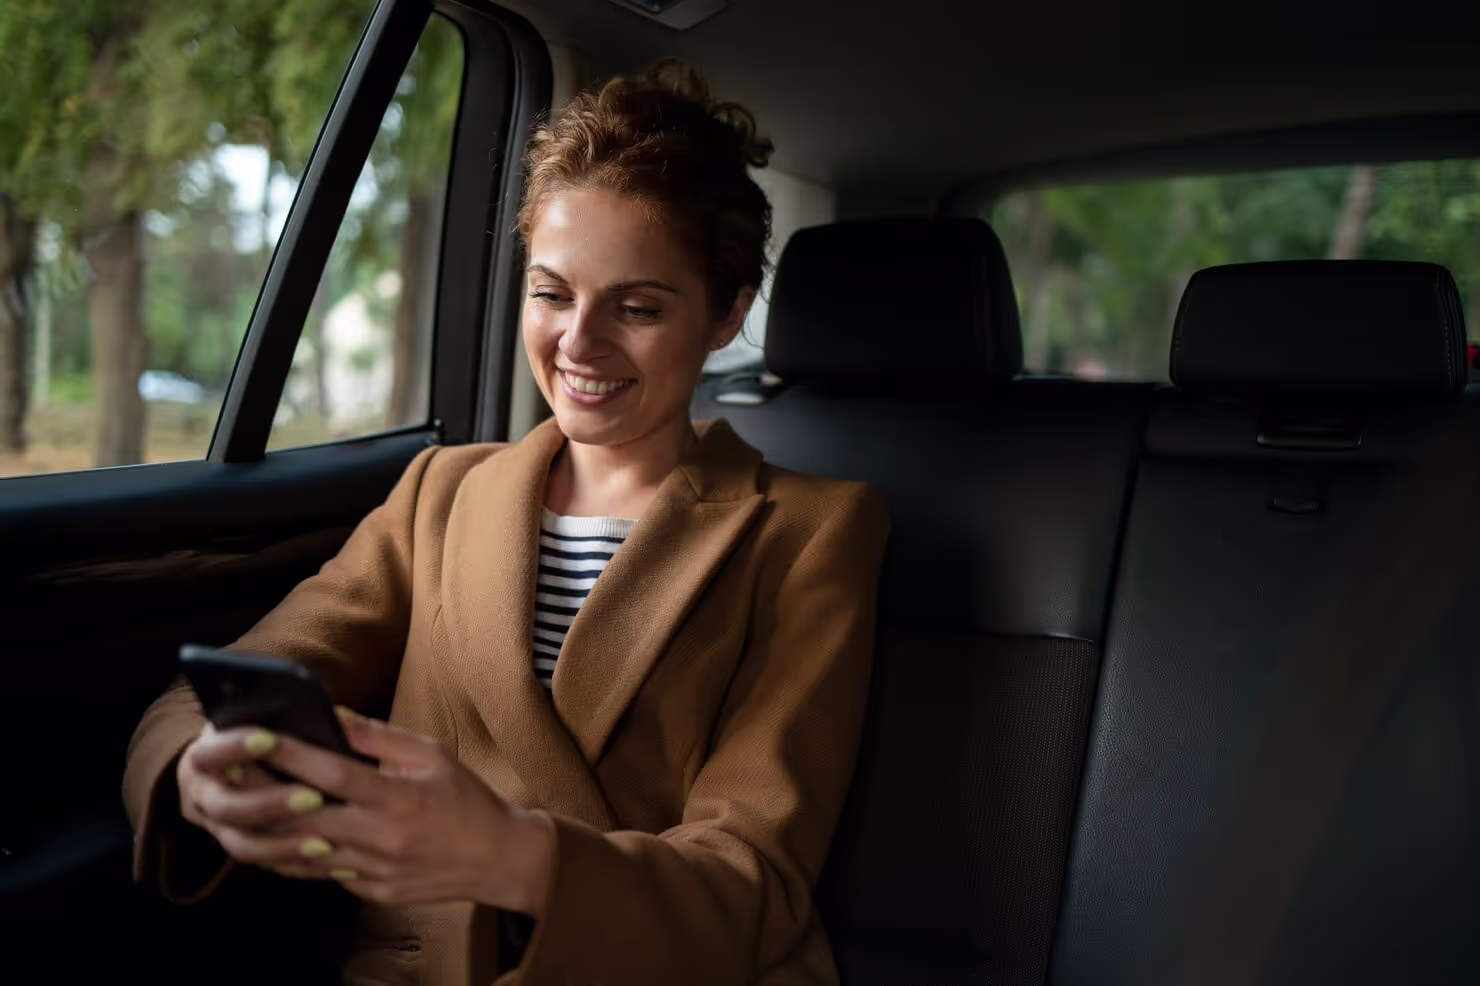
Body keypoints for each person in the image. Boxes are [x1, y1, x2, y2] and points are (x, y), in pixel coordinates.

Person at [122, 61, 888, 985]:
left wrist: (509, 855)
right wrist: (198, 770)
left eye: (637, 307)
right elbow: (216, 691)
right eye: (552, 293)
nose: (579, 342)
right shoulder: (439, 493)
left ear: (726, 313)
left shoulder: (810, 532)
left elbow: (754, 883)